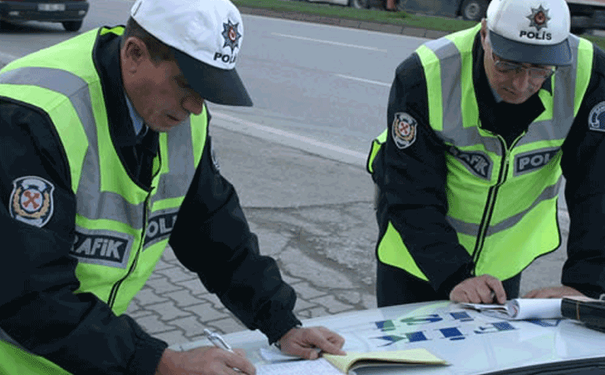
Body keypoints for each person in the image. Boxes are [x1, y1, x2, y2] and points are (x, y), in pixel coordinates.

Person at [0, 0, 346, 374]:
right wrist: (160, 362)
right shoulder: (33, 117)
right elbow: (27, 290)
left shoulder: (177, 117)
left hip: (85, 351)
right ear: (134, 53)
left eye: (208, 89)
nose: (195, 107)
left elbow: (213, 230)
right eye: (187, 84)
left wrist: (281, 323)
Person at [367, 0, 605, 307]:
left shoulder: (587, 73)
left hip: (500, 265)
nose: (521, 85)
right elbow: (409, 188)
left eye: (541, 69)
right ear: (484, 34)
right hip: (416, 257)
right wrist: (454, 275)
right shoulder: (426, 73)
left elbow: (598, 184)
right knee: (408, 352)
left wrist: (585, 284)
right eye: (508, 64)